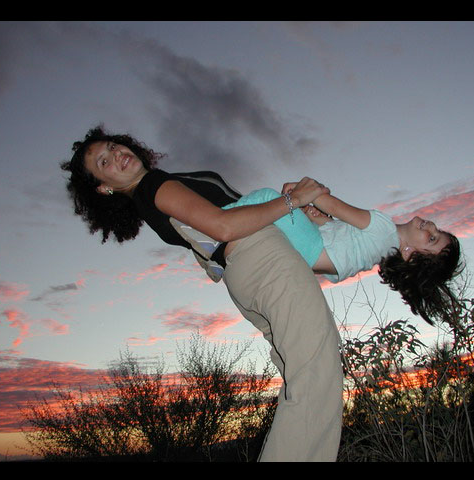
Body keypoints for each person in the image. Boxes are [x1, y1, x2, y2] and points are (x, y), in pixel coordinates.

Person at [61, 126, 343, 462]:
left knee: (303, 372)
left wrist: (297, 217)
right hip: (259, 255)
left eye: (112, 146)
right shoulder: (153, 186)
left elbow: (208, 241)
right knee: (315, 371)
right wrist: (292, 201)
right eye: (104, 162)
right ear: (104, 187)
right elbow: (223, 226)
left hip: (248, 269)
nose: (116, 154)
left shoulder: (150, 198)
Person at [172, 186, 463, 327]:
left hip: (314, 248)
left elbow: (335, 206)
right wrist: (313, 217)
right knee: (275, 218)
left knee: (267, 198)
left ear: (410, 254)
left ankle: (212, 225)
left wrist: (308, 190)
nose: (431, 226)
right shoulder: (378, 252)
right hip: (314, 257)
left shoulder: (385, 227)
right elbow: (340, 233)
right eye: (437, 231)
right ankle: (216, 260)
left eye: (432, 239)